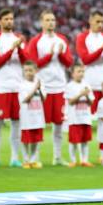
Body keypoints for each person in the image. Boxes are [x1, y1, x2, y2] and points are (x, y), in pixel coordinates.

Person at [26, 10, 74, 165]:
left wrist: (59, 54)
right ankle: (35, 157)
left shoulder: (62, 40)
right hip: (42, 88)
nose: (50, 23)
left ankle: (58, 157)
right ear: (41, 22)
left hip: (60, 87)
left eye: (53, 20)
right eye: (47, 20)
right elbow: (32, 65)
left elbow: (69, 63)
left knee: (59, 125)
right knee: (38, 123)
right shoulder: (36, 41)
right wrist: (49, 55)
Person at [0, 8, 26, 168]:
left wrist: (20, 49)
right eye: (6, 19)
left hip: (17, 87)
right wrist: (12, 49)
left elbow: (27, 63)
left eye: (11, 19)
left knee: (16, 123)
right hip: (1, 88)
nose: (9, 21)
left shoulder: (19, 39)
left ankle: (14, 158)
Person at [75, 10, 103, 114]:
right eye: (97, 21)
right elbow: (86, 59)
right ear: (90, 20)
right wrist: (102, 47)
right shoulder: (82, 37)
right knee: (90, 117)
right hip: (90, 83)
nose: (100, 24)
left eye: (102, 22)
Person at [64, 63, 94, 167]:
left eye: (82, 71)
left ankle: (84, 160)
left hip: (85, 117)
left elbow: (91, 103)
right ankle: (73, 160)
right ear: (72, 74)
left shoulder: (87, 85)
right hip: (74, 119)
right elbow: (70, 102)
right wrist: (80, 95)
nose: (81, 74)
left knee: (85, 140)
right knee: (74, 141)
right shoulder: (69, 86)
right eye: (78, 71)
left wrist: (87, 96)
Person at [18, 61, 45, 169]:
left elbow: (44, 99)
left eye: (31, 70)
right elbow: (24, 99)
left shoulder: (40, 83)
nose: (28, 72)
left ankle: (33, 160)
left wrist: (39, 89)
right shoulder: (22, 85)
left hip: (38, 117)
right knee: (26, 140)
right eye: (26, 70)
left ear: (36, 71)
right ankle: (25, 160)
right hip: (27, 118)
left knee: (36, 140)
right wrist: (35, 89)